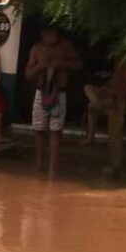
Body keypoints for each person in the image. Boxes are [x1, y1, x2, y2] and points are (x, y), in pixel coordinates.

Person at [25, 24, 81, 177]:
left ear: (57, 33)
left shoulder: (65, 46)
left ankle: (52, 168)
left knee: (55, 130)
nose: (49, 37)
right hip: (41, 91)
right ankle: (39, 162)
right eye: (46, 34)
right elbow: (28, 74)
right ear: (42, 34)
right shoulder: (36, 49)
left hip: (59, 92)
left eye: (52, 34)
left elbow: (78, 64)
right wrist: (39, 66)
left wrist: (61, 63)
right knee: (39, 129)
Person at [82, 62, 126, 174]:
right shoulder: (122, 64)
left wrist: (122, 91)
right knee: (88, 90)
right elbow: (111, 84)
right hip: (113, 98)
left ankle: (115, 165)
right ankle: (100, 108)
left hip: (125, 100)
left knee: (114, 125)